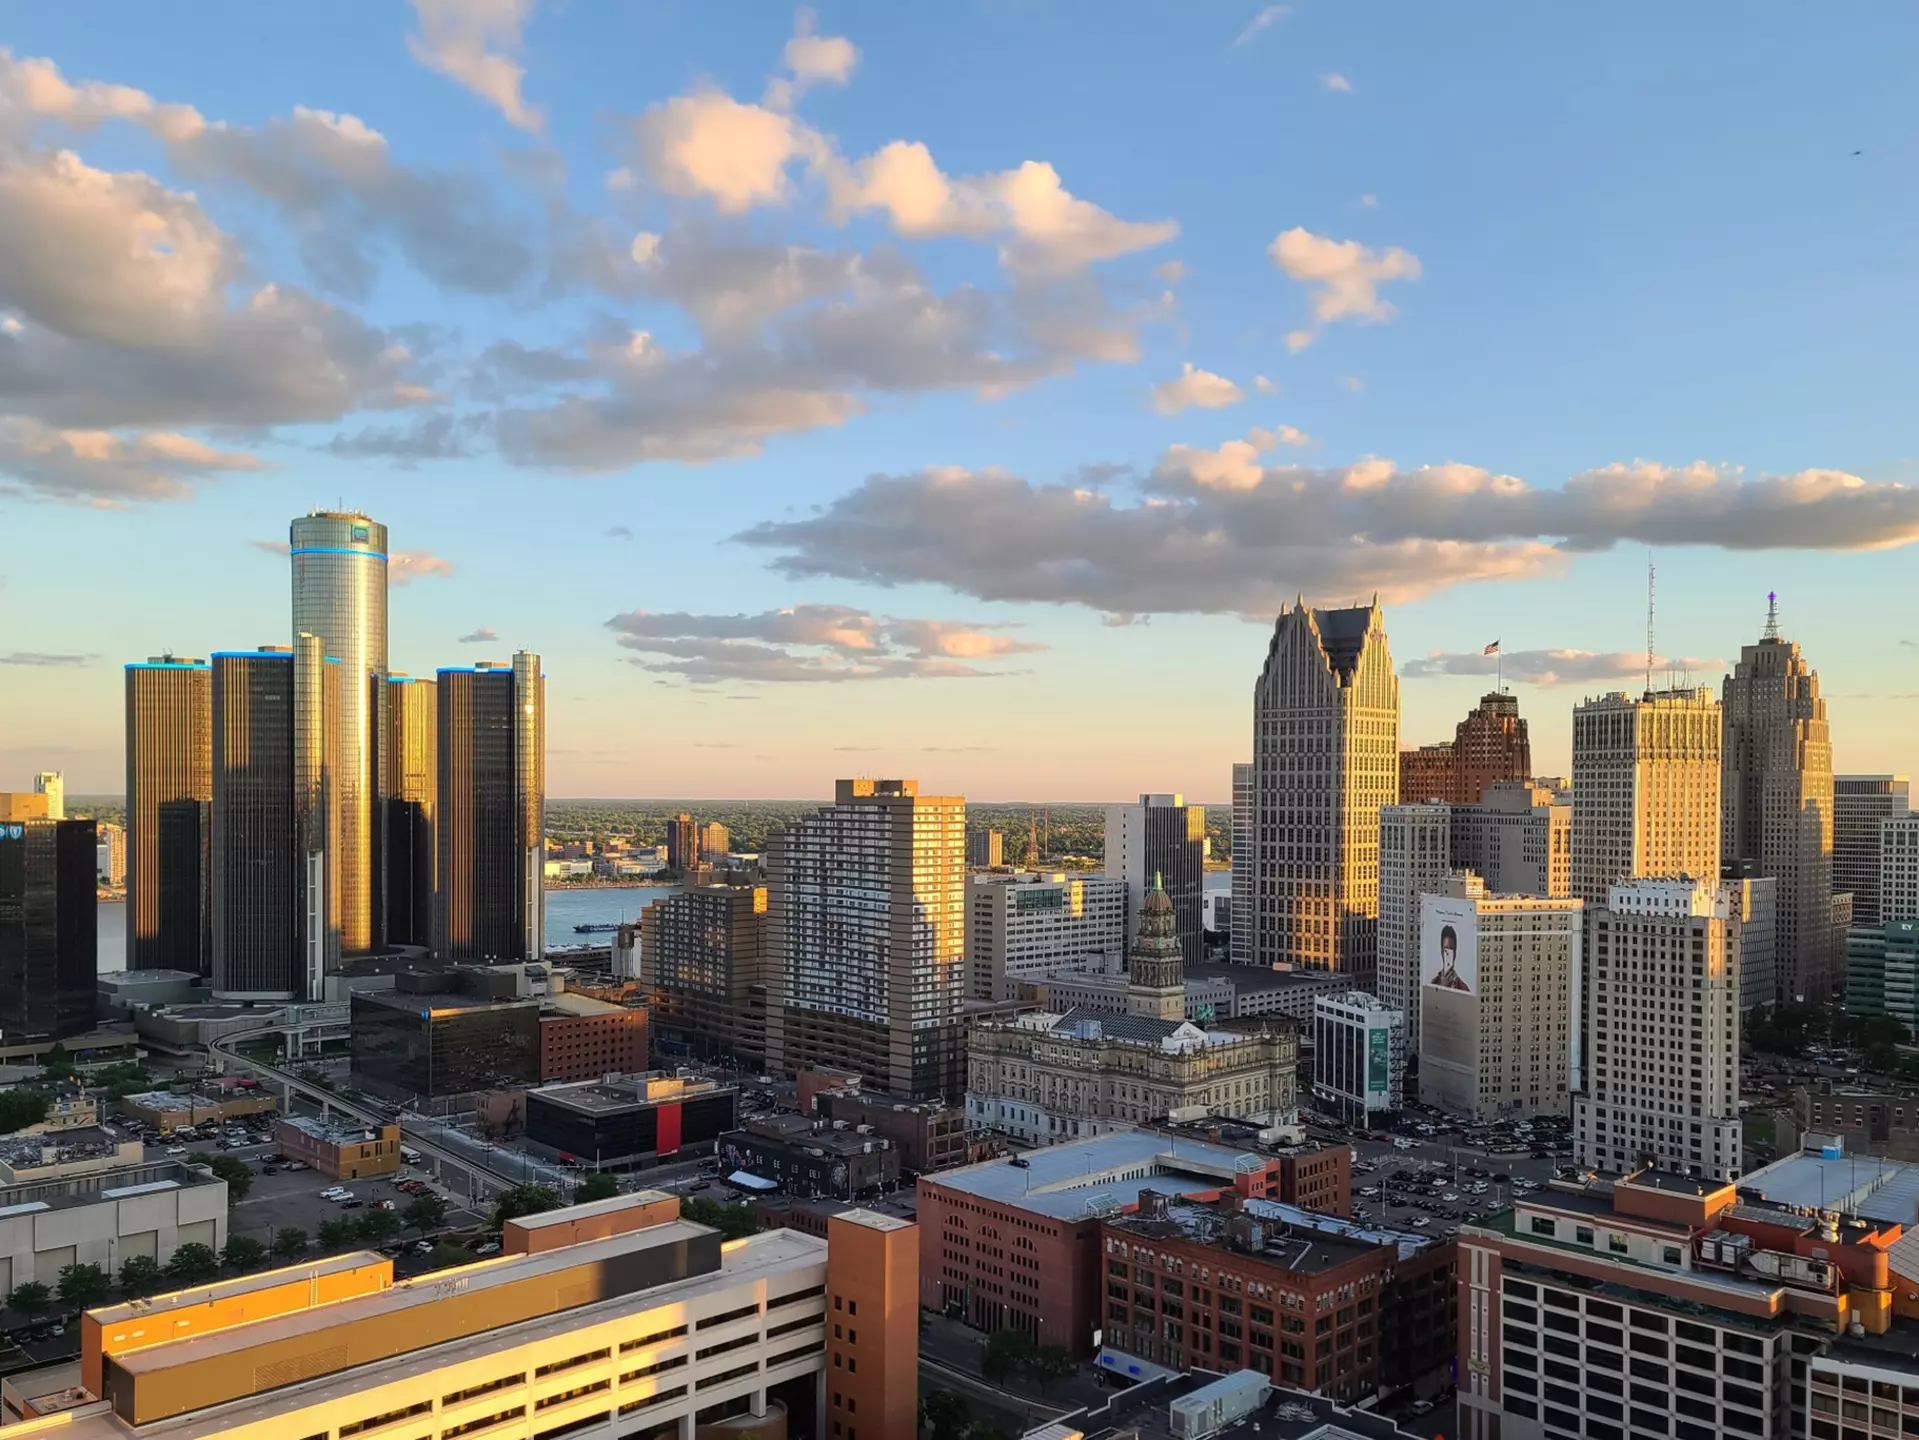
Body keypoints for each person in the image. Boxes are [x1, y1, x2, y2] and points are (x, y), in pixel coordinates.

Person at [1430, 923, 1470, 992]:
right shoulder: (1434, 983)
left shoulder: (1463, 988)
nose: (1448, 954)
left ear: (1455, 953)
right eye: (1446, 949)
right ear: (1441, 952)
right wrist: (1442, 987)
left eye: (1451, 950)